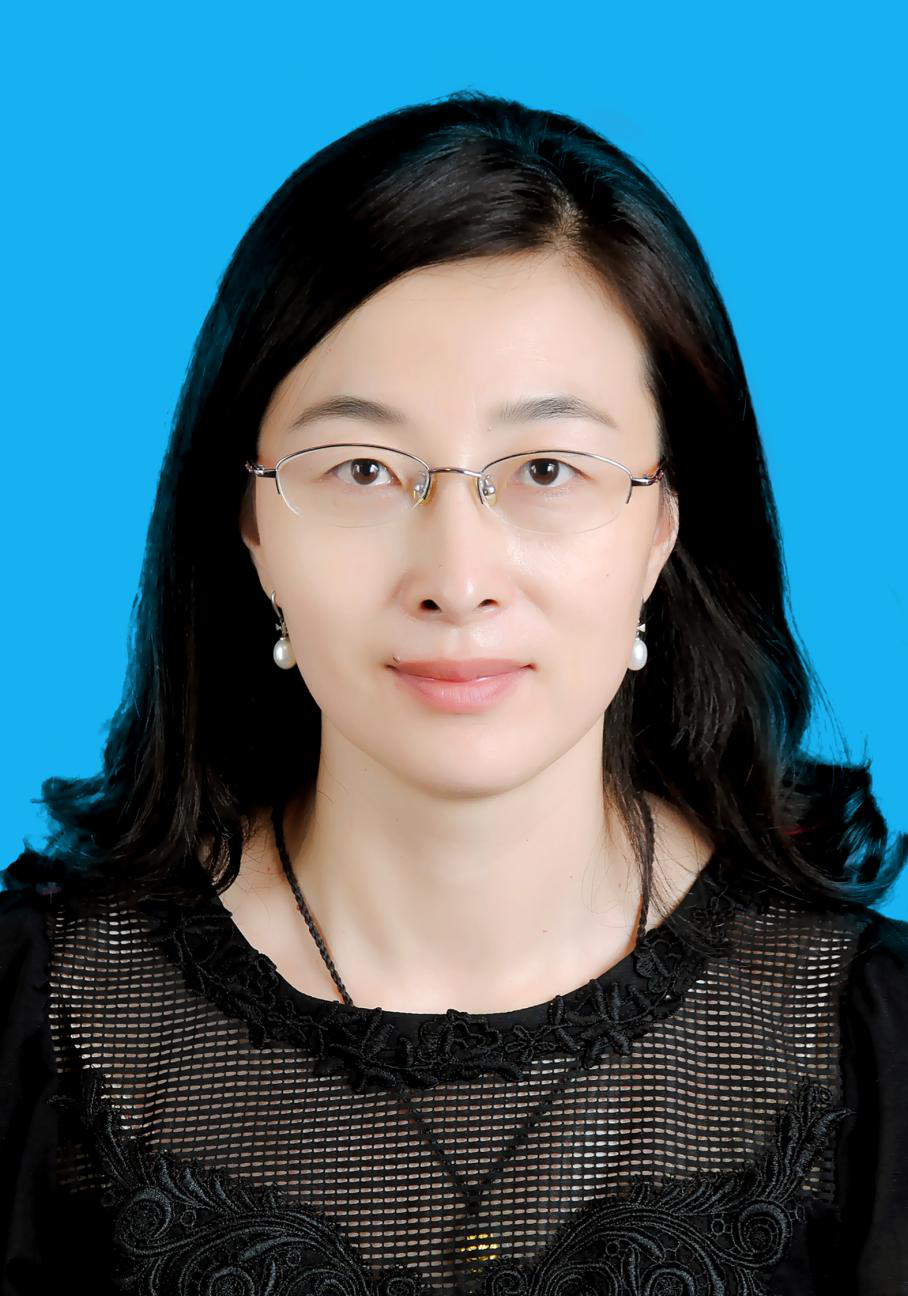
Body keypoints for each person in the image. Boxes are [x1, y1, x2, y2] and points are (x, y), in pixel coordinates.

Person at [1, 90, 906, 1296]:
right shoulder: (37, 1021)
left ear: (662, 525)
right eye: (362, 469)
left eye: (546, 469)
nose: (456, 578)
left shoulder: (868, 1040)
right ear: (249, 524)